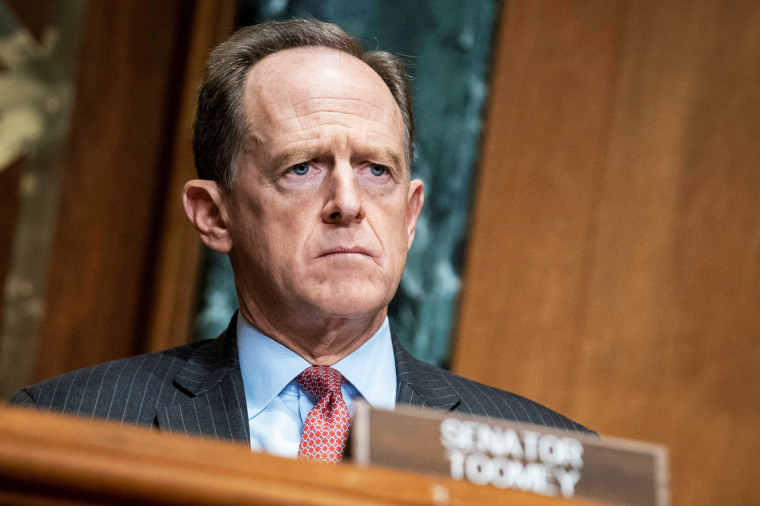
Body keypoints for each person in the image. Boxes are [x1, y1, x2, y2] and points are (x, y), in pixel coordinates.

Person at [9, 19, 591, 462]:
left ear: (410, 215)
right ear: (214, 215)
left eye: (376, 170)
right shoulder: (65, 428)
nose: (348, 202)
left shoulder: (553, 460)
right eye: (302, 167)